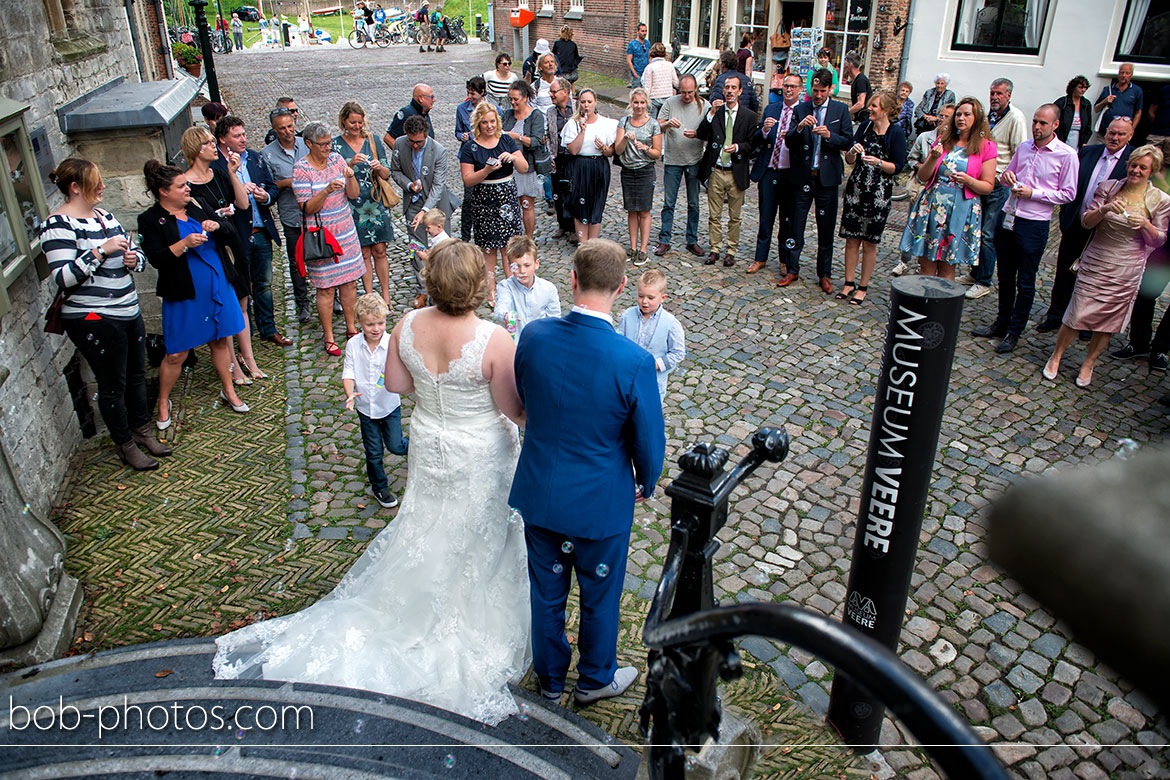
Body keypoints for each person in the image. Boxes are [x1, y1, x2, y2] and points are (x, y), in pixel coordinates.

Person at [214, 240, 530, 727]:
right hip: (481, 450)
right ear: (478, 285)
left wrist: (434, 387)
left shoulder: (406, 324)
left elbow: (397, 385)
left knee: (427, 520)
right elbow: (513, 410)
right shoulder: (494, 340)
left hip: (430, 439)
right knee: (477, 529)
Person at [511, 238, 665, 706]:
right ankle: (595, 677)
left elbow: (525, 397)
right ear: (621, 288)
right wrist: (646, 480)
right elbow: (650, 442)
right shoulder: (633, 361)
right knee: (599, 595)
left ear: (572, 279)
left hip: (541, 492)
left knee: (547, 593)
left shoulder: (534, 336)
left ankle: (552, 680)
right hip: (600, 503)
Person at [42, 159, 170, 470]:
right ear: (75, 187)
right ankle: (124, 443)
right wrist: (100, 252)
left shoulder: (105, 216)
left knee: (137, 375)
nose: (102, 188)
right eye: (94, 182)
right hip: (94, 318)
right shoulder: (57, 225)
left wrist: (131, 258)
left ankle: (142, 431)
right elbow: (63, 277)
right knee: (112, 382)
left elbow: (136, 254)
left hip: (127, 309)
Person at [1043, 146, 1170, 387]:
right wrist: (1104, 209)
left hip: (1127, 268)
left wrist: (1145, 224)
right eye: (1133, 165)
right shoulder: (1109, 187)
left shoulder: (1161, 200)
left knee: (1108, 322)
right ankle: (1056, 355)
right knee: (1076, 313)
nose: (1136, 170)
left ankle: (1089, 363)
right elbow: (1086, 221)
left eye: (1143, 167)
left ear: (1152, 171)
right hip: (1097, 260)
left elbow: (1158, 240)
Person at [137, 159, 249, 425]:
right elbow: (156, 258)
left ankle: (228, 389)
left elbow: (230, 232)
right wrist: (184, 244)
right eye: (181, 186)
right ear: (164, 191)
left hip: (216, 284)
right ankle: (164, 401)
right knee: (177, 352)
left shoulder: (197, 206)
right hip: (184, 292)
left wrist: (217, 226)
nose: (188, 188)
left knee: (221, 340)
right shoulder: (151, 220)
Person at [971, 104, 1079, 355]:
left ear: (1055, 125)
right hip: (1010, 216)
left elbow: (1068, 193)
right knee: (1005, 276)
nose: (1037, 127)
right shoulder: (1025, 147)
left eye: (1043, 123)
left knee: (1026, 280)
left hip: (1034, 223)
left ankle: (1014, 330)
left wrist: (1034, 193)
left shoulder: (1066, 154)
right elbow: (1010, 172)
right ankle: (1002, 321)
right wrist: (1007, 177)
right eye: (1035, 121)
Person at [1038, 118, 1134, 333]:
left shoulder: (1132, 161)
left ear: (1130, 136)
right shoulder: (1089, 152)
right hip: (1076, 223)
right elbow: (1071, 183)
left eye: (1121, 134)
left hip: (1104, 232)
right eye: (1111, 133)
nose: (1115, 138)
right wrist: (1065, 216)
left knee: (1095, 279)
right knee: (1064, 272)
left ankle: (1085, 323)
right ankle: (1056, 315)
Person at [185, 124, 263, 384]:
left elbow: (242, 204)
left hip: (233, 242)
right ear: (197, 149)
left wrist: (233, 174)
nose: (215, 147)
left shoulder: (219, 174)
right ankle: (233, 366)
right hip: (212, 251)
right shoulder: (185, 185)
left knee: (242, 303)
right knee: (227, 308)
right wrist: (215, 218)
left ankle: (248, 359)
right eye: (208, 142)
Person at [213, 116, 291, 350]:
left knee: (264, 283)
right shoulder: (215, 164)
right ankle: (243, 333)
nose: (243, 139)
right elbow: (215, 201)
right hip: (237, 233)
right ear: (223, 139)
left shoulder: (255, 158)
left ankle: (268, 328)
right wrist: (236, 188)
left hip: (261, 230)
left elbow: (272, 186)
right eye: (237, 136)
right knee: (241, 286)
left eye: (244, 134)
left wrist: (265, 196)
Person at [899, 97, 996, 280]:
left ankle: (942, 306)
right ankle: (924, 303)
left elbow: (988, 186)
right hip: (934, 205)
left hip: (961, 207)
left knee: (947, 263)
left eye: (967, 114)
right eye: (958, 114)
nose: (961, 118)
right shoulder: (944, 140)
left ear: (976, 118)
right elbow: (923, 176)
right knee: (926, 260)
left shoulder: (986, 147)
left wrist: (969, 180)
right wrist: (933, 158)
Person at [293, 121, 366, 356]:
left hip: (345, 231)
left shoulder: (336, 159)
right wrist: (325, 190)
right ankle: (329, 336)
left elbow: (353, 194)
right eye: (322, 145)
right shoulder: (301, 169)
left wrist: (351, 177)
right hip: (322, 237)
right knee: (325, 289)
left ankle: (351, 326)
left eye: (328, 143)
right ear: (308, 144)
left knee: (350, 282)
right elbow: (307, 208)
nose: (327, 148)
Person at [784, 68, 853, 293]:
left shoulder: (840, 110)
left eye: (822, 91)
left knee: (826, 229)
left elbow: (848, 141)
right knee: (797, 225)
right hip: (803, 176)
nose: (818, 95)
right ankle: (792, 269)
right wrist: (800, 126)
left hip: (827, 179)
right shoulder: (802, 108)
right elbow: (789, 142)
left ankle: (824, 274)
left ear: (830, 89)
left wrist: (830, 137)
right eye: (815, 90)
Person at [837, 90, 907, 305]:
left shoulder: (895, 133)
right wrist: (853, 152)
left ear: (885, 109)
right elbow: (850, 160)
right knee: (851, 238)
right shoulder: (865, 128)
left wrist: (878, 162)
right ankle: (849, 282)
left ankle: (863, 285)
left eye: (874, 106)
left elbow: (898, 167)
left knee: (869, 242)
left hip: (878, 193)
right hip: (856, 190)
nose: (870, 109)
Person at [964, 77, 1028, 300]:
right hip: (981, 181)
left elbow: (1020, 153)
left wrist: (1006, 179)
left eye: (999, 94)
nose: (994, 97)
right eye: (992, 93)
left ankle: (984, 281)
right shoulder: (988, 117)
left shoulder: (1015, 118)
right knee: (977, 229)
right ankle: (975, 272)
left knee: (989, 234)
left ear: (1009, 95)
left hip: (999, 184)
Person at [343, 293, 408, 508]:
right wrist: (349, 392)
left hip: (389, 405)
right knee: (373, 452)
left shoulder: (392, 344)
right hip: (365, 409)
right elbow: (348, 372)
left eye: (380, 323)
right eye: (370, 324)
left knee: (396, 445)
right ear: (359, 323)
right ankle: (379, 486)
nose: (376, 328)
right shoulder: (353, 345)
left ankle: (417, 450)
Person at [460, 101, 528, 306]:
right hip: (484, 199)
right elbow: (468, 179)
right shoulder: (469, 147)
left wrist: (514, 159)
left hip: (506, 195)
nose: (489, 126)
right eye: (484, 123)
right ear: (478, 124)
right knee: (488, 249)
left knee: (510, 247)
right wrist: (486, 171)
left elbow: (524, 168)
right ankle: (492, 292)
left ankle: (512, 288)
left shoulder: (506, 140)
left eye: (492, 122)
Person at [391, 114, 460, 309]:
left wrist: (425, 210)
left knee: (441, 249)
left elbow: (438, 186)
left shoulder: (439, 151)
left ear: (427, 135)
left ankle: (442, 289)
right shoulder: (399, 144)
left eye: (419, 142)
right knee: (416, 247)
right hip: (412, 201)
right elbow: (395, 171)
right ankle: (422, 290)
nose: (414, 146)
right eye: (411, 141)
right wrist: (408, 185)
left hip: (436, 205)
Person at [333, 101, 395, 305]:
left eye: (360, 122)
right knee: (364, 251)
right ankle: (369, 294)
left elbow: (387, 174)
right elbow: (334, 177)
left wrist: (378, 167)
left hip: (376, 201)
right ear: (344, 121)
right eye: (352, 122)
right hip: (353, 203)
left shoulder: (373, 140)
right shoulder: (336, 145)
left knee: (380, 250)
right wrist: (349, 164)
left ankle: (385, 294)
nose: (357, 126)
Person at [697, 73, 756, 268]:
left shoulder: (748, 116)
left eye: (733, 88)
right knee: (714, 214)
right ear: (723, 90)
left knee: (735, 216)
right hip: (716, 170)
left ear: (740, 91)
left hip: (736, 171)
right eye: (727, 88)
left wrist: (738, 148)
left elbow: (752, 144)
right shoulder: (717, 113)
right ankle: (715, 249)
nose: (729, 91)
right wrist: (711, 113)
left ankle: (731, 251)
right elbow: (702, 133)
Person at [262, 106, 313, 324]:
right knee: (296, 261)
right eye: (282, 128)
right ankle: (302, 302)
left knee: (323, 254)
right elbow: (268, 187)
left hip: (316, 212)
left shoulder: (307, 144)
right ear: (274, 130)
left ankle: (332, 296)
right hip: (291, 214)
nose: (288, 131)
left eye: (290, 126)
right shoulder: (267, 155)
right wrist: (286, 183)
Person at [748, 72, 801, 281]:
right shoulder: (772, 108)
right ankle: (760, 257)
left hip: (790, 173)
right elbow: (757, 139)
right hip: (770, 169)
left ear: (799, 90)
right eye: (786, 86)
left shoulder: (802, 112)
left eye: (793, 87)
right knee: (766, 217)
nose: (788, 90)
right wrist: (764, 131)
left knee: (787, 220)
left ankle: (784, 260)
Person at [891, 102, 955, 276]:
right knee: (913, 224)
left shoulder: (956, 145)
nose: (942, 120)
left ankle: (929, 262)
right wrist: (925, 166)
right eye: (941, 115)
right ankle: (904, 260)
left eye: (947, 117)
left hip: (942, 196)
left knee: (936, 230)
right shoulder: (925, 137)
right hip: (922, 187)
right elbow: (912, 159)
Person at [655, 74, 707, 259]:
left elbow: (710, 132)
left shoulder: (704, 105)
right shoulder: (670, 103)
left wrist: (699, 135)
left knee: (694, 203)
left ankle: (692, 239)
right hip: (673, 160)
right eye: (683, 92)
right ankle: (665, 239)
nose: (686, 96)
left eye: (690, 93)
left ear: (696, 90)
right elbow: (657, 126)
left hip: (694, 160)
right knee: (669, 202)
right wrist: (668, 124)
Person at [618, 268, 686, 401]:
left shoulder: (671, 324)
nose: (644, 301)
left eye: (650, 298)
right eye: (640, 296)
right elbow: (620, 342)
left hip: (654, 383)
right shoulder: (627, 316)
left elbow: (677, 353)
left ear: (663, 298)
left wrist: (654, 365)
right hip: (627, 379)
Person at [562, 89, 618, 244]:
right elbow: (573, 150)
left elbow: (611, 152)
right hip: (579, 166)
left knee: (596, 205)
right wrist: (582, 131)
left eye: (589, 102)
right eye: (583, 102)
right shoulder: (573, 123)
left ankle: (593, 244)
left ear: (595, 102)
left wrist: (604, 149)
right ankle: (582, 243)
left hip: (598, 166)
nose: (586, 105)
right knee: (580, 207)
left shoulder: (606, 123)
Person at [616, 87, 663, 265]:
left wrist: (646, 148)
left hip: (645, 170)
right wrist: (625, 139)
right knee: (631, 210)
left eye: (642, 102)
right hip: (628, 170)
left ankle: (643, 249)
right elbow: (618, 150)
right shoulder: (624, 122)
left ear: (647, 104)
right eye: (636, 102)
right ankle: (633, 247)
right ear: (631, 103)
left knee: (644, 210)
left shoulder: (653, 124)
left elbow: (657, 153)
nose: (639, 106)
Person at [501, 81, 548, 239]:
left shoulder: (535, 116)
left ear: (525, 98)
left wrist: (517, 137)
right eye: (511, 99)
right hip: (508, 167)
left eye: (516, 99)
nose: (513, 102)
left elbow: (536, 141)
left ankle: (528, 238)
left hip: (528, 165)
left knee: (526, 203)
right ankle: (513, 235)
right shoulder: (507, 115)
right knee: (510, 204)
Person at [494, 235, 561, 336]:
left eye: (527, 265)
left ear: (536, 264)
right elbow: (501, 307)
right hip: (515, 345)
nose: (522, 271)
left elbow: (554, 320)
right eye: (516, 266)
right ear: (509, 266)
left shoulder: (548, 289)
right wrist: (506, 315)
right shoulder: (505, 287)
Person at [547, 77, 576, 240]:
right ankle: (562, 225)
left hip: (574, 156)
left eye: (554, 91)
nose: (551, 95)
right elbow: (548, 135)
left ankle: (573, 227)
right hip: (558, 157)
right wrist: (550, 155)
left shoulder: (577, 107)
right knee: (558, 191)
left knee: (572, 192)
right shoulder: (551, 112)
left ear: (565, 92)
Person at [1094, 63, 1143, 139]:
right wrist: (1105, 101)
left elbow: (1138, 112)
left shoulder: (1136, 91)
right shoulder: (1108, 89)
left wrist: (1131, 129)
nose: (1124, 75)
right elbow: (1096, 109)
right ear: (1118, 73)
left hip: (1122, 134)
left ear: (1131, 74)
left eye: (1127, 73)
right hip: (1105, 131)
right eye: (1122, 72)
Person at [710, 50, 759, 114]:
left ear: (723, 64)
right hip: (744, 118)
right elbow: (754, 104)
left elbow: (715, 103)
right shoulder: (746, 80)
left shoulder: (721, 79)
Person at [1055, 76, 1093, 151]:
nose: (1083, 90)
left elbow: (1088, 125)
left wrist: (1085, 141)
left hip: (1077, 142)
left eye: (1085, 88)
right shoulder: (1063, 102)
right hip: (1062, 140)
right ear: (1073, 87)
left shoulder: (1086, 104)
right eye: (1080, 87)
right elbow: (1053, 121)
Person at [641, 43, 678, 117]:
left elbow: (647, 87)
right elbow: (676, 83)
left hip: (653, 99)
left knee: (652, 123)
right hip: (667, 98)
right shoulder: (670, 65)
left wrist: (644, 101)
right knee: (664, 122)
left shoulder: (650, 67)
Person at [842, 51, 872, 122]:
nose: (843, 67)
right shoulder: (856, 80)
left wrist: (846, 113)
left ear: (850, 64)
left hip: (863, 121)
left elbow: (861, 104)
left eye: (845, 64)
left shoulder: (860, 80)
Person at [626, 23, 650, 88]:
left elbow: (649, 57)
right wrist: (635, 74)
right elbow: (629, 61)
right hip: (637, 75)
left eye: (645, 31)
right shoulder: (632, 44)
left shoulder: (647, 43)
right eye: (642, 31)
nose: (644, 33)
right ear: (637, 31)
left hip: (646, 75)